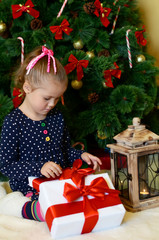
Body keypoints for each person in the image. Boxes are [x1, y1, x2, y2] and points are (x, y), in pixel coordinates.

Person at [0, 46, 102, 221]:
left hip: (59, 180)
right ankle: (31, 208)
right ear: (27, 88)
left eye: (57, 98)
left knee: (89, 196)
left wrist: (81, 155)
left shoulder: (56, 117)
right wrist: (39, 167)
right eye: (47, 98)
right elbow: (6, 165)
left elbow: (64, 151)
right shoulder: (14, 122)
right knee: (48, 207)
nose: (52, 104)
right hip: (29, 186)